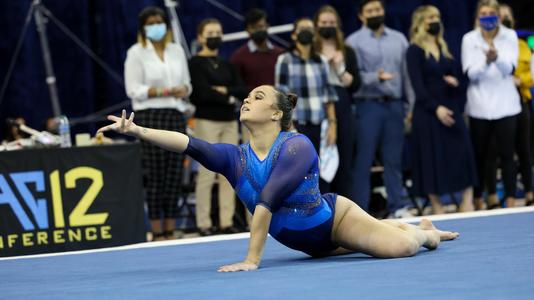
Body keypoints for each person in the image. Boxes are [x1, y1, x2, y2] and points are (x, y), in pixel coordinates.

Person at [97, 85, 459, 272]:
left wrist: (252, 259)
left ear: (275, 114)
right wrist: (140, 131)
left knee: (398, 248)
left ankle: (427, 233)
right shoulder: (234, 158)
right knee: (379, 235)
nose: (246, 100)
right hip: (310, 244)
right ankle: (406, 226)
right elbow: (190, 144)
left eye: (257, 97)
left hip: (335, 222)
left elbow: (268, 198)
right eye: (246, 96)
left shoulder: (297, 146)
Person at [124, 6, 192, 241]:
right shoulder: (136, 52)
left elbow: (187, 84)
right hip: (150, 116)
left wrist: (182, 90)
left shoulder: (176, 51)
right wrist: (163, 90)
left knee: (174, 174)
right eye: (151, 23)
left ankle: (171, 229)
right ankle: (157, 229)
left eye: (159, 22)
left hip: (175, 114)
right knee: (155, 174)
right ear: (144, 28)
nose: (156, 26)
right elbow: (133, 89)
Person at [406, 5, 477, 214]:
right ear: (420, 22)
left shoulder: (444, 47)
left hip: (451, 106)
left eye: (437, 16)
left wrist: (455, 82)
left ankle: (468, 201)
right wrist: (436, 109)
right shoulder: (414, 50)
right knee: (430, 158)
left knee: (464, 151)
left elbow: (460, 79)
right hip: (428, 111)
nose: (434, 20)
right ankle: (437, 207)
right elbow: (418, 86)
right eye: (429, 17)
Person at [345, 0, 413, 218]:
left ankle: (398, 206)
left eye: (378, 10)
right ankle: (360, 213)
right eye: (370, 11)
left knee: (393, 160)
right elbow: (353, 77)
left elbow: (407, 75)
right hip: (367, 106)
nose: (375, 14)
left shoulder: (399, 38)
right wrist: (376, 77)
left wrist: (410, 106)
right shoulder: (353, 42)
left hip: (394, 105)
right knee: (363, 161)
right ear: (361, 15)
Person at [189, 18, 249, 236]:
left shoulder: (227, 64)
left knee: (229, 171)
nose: (214, 36)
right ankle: (203, 222)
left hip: (229, 121)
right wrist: (228, 95)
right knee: (206, 172)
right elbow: (200, 93)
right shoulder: (195, 63)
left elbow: (242, 90)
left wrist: (223, 90)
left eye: (218, 32)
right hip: (207, 120)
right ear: (200, 37)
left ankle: (226, 221)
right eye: (210, 32)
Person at [461, 0, 520, 209]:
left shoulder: (510, 36)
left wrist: (496, 58)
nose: (487, 17)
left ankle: (511, 201)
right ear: (478, 16)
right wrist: (486, 61)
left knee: (507, 154)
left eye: (491, 13)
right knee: (482, 155)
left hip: (507, 105)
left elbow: (509, 69)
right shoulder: (469, 39)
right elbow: (470, 73)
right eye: (483, 13)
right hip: (479, 106)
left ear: (498, 15)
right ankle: (481, 198)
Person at [275, 17, 338, 193]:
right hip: (298, 125)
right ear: (294, 35)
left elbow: (329, 95)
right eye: (302, 29)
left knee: (321, 170)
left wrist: (333, 125)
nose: (306, 32)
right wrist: (290, 127)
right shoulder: (285, 60)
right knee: (299, 171)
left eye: (310, 29)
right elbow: (282, 97)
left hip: (320, 125)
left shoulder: (321, 61)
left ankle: (321, 211)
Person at [485, 4, 534, 207]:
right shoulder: (486, 44)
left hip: (520, 100)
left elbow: (529, 76)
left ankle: (530, 191)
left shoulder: (522, 45)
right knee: (495, 150)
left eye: (507, 16)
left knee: (524, 149)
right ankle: (494, 196)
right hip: (494, 104)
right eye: (500, 16)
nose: (504, 19)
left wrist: (519, 80)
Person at [313, 5, 361, 199]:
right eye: (324, 23)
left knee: (344, 157)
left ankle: (345, 207)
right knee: (319, 159)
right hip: (317, 104)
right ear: (316, 25)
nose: (328, 26)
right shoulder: (311, 50)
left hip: (342, 102)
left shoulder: (347, 51)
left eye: (332, 23)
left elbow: (355, 84)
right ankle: (319, 205)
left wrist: (340, 67)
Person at [230, 9, 285, 92]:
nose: (258, 30)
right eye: (254, 27)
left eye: (261, 26)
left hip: (278, 102)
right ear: (247, 30)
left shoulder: (281, 54)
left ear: (267, 26)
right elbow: (237, 88)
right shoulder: (238, 57)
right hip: (252, 103)